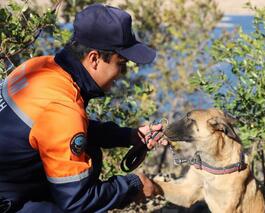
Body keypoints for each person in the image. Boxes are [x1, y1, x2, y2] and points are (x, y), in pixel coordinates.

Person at [0, 4, 167, 213]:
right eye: (121, 63)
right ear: (94, 58)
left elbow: (53, 130)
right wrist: (134, 185)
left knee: (90, 153)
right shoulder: (63, 110)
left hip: (13, 183)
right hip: (8, 201)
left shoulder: (39, 67)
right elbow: (78, 202)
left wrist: (128, 136)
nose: (123, 73)